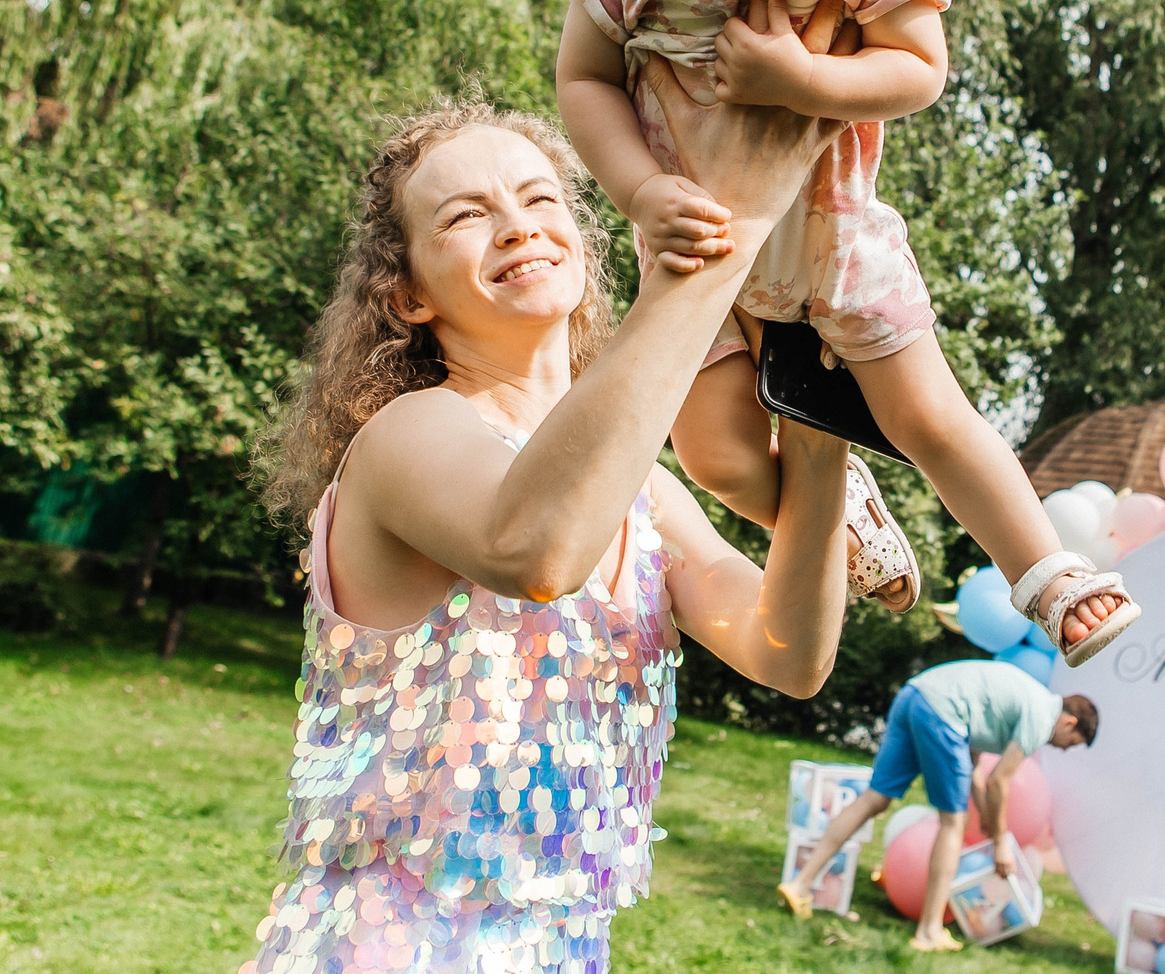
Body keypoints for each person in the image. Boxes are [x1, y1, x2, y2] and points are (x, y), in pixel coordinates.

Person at [555, 0, 1139, 668]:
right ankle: (836, 515)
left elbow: (919, 67)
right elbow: (584, 79)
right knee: (720, 453)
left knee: (929, 415)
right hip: (697, 248)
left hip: (831, 233)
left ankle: (1047, 572)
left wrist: (803, 77)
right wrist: (640, 190)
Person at [244, 75, 861, 974]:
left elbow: (788, 649)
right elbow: (537, 552)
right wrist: (720, 245)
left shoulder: (641, 496)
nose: (519, 222)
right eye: (465, 214)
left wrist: (815, 426)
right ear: (409, 293)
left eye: (540, 198)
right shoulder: (407, 434)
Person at [779, 658, 1099, 952]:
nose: (1063, 749)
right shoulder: (1042, 717)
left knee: (874, 798)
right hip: (942, 711)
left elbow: (974, 768)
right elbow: (999, 781)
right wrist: (1001, 842)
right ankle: (929, 932)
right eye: (1071, 744)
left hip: (915, 694)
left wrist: (987, 819)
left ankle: (799, 884)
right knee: (953, 824)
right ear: (1069, 723)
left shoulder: (1027, 698)